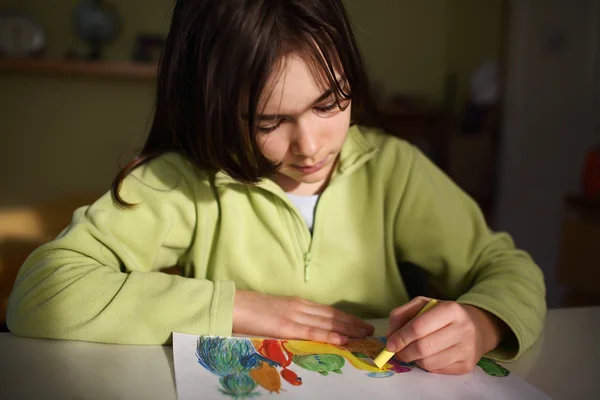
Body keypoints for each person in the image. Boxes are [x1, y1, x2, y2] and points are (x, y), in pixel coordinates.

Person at [7, 0, 546, 376]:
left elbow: (509, 268)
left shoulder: (393, 169)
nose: (310, 146)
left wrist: (483, 322)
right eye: (268, 122)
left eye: (330, 103)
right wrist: (236, 307)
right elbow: (40, 296)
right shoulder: (186, 180)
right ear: (216, 109)